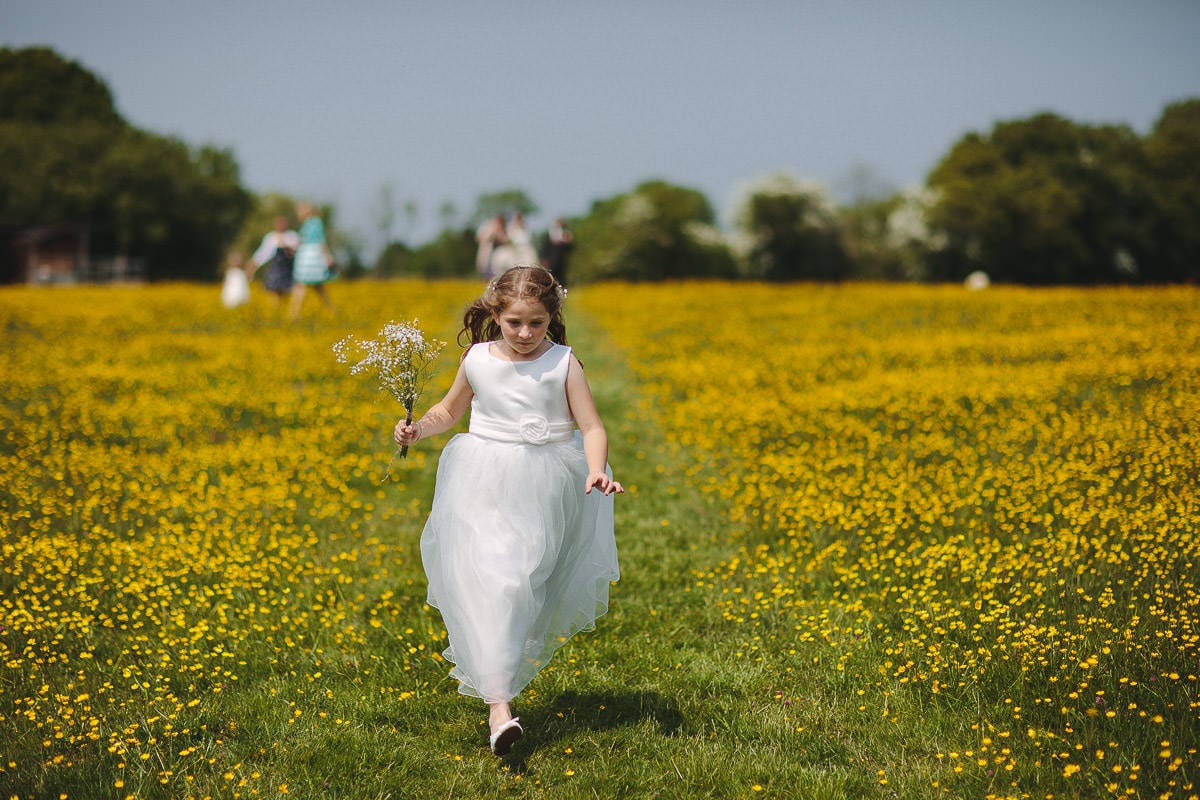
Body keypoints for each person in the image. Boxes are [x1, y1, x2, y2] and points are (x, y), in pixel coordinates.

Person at [392, 265, 622, 756]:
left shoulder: (563, 363)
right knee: (493, 581)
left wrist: (596, 469)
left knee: (519, 582)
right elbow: (449, 411)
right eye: (514, 322)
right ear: (495, 314)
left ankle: (500, 692)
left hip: (543, 484)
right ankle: (500, 711)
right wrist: (418, 430)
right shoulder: (477, 359)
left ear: (551, 318)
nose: (524, 333)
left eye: (536, 323)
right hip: (480, 480)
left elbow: (592, 426)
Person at [289, 202, 336, 318]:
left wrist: (327, 256)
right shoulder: (313, 223)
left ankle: (294, 312)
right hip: (310, 256)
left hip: (309, 257)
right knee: (316, 286)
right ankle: (331, 309)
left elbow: (320, 241)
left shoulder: (313, 223)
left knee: (303, 285)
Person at [247, 215, 299, 304]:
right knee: (273, 290)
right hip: (275, 267)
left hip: (288, 268)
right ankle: (276, 310)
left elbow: (297, 250)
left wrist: (286, 246)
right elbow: (262, 253)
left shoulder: (292, 235)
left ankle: (283, 309)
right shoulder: (270, 237)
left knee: (287, 290)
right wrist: (252, 266)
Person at [542, 217, 574, 287]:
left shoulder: (566, 233)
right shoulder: (549, 234)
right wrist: (544, 259)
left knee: (561, 279)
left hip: (561, 261)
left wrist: (568, 241)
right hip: (551, 261)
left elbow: (570, 248)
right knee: (551, 277)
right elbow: (545, 248)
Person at [475, 214, 508, 279]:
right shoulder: (487, 226)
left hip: (497, 256)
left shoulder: (503, 230)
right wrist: (491, 234)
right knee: (484, 269)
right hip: (486, 252)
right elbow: (478, 238)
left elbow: (505, 240)